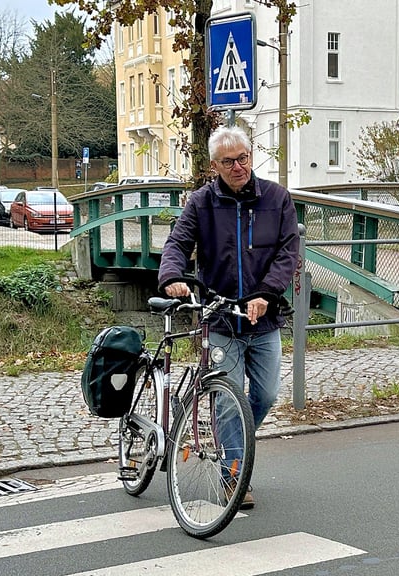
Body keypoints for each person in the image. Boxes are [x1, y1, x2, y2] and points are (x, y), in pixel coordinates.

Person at [157, 125, 299, 509]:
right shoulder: (201, 203)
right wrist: (171, 276)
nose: (238, 167)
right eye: (228, 161)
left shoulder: (277, 199)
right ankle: (233, 474)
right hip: (220, 319)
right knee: (227, 399)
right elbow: (178, 243)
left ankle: (237, 444)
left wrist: (266, 294)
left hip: (263, 319)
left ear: (251, 156)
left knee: (266, 394)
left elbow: (288, 253)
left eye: (243, 158)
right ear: (214, 165)